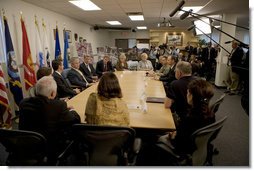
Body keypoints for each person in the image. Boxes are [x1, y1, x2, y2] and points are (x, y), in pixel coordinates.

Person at [19, 76, 81, 165]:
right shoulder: (59, 105)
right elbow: (75, 120)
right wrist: (71, 110)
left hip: (26, 145)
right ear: (52, 94)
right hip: (50, 147)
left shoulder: (23, 103)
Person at [158, 79, 215, 156]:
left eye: (188, 92)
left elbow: (178, 142)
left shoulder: (189, 119)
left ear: (191, 96)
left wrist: (172, 135)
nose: (187, 94)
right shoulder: (210, 113)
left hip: (183, 149)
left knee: (157, 140)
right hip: (197, 148)